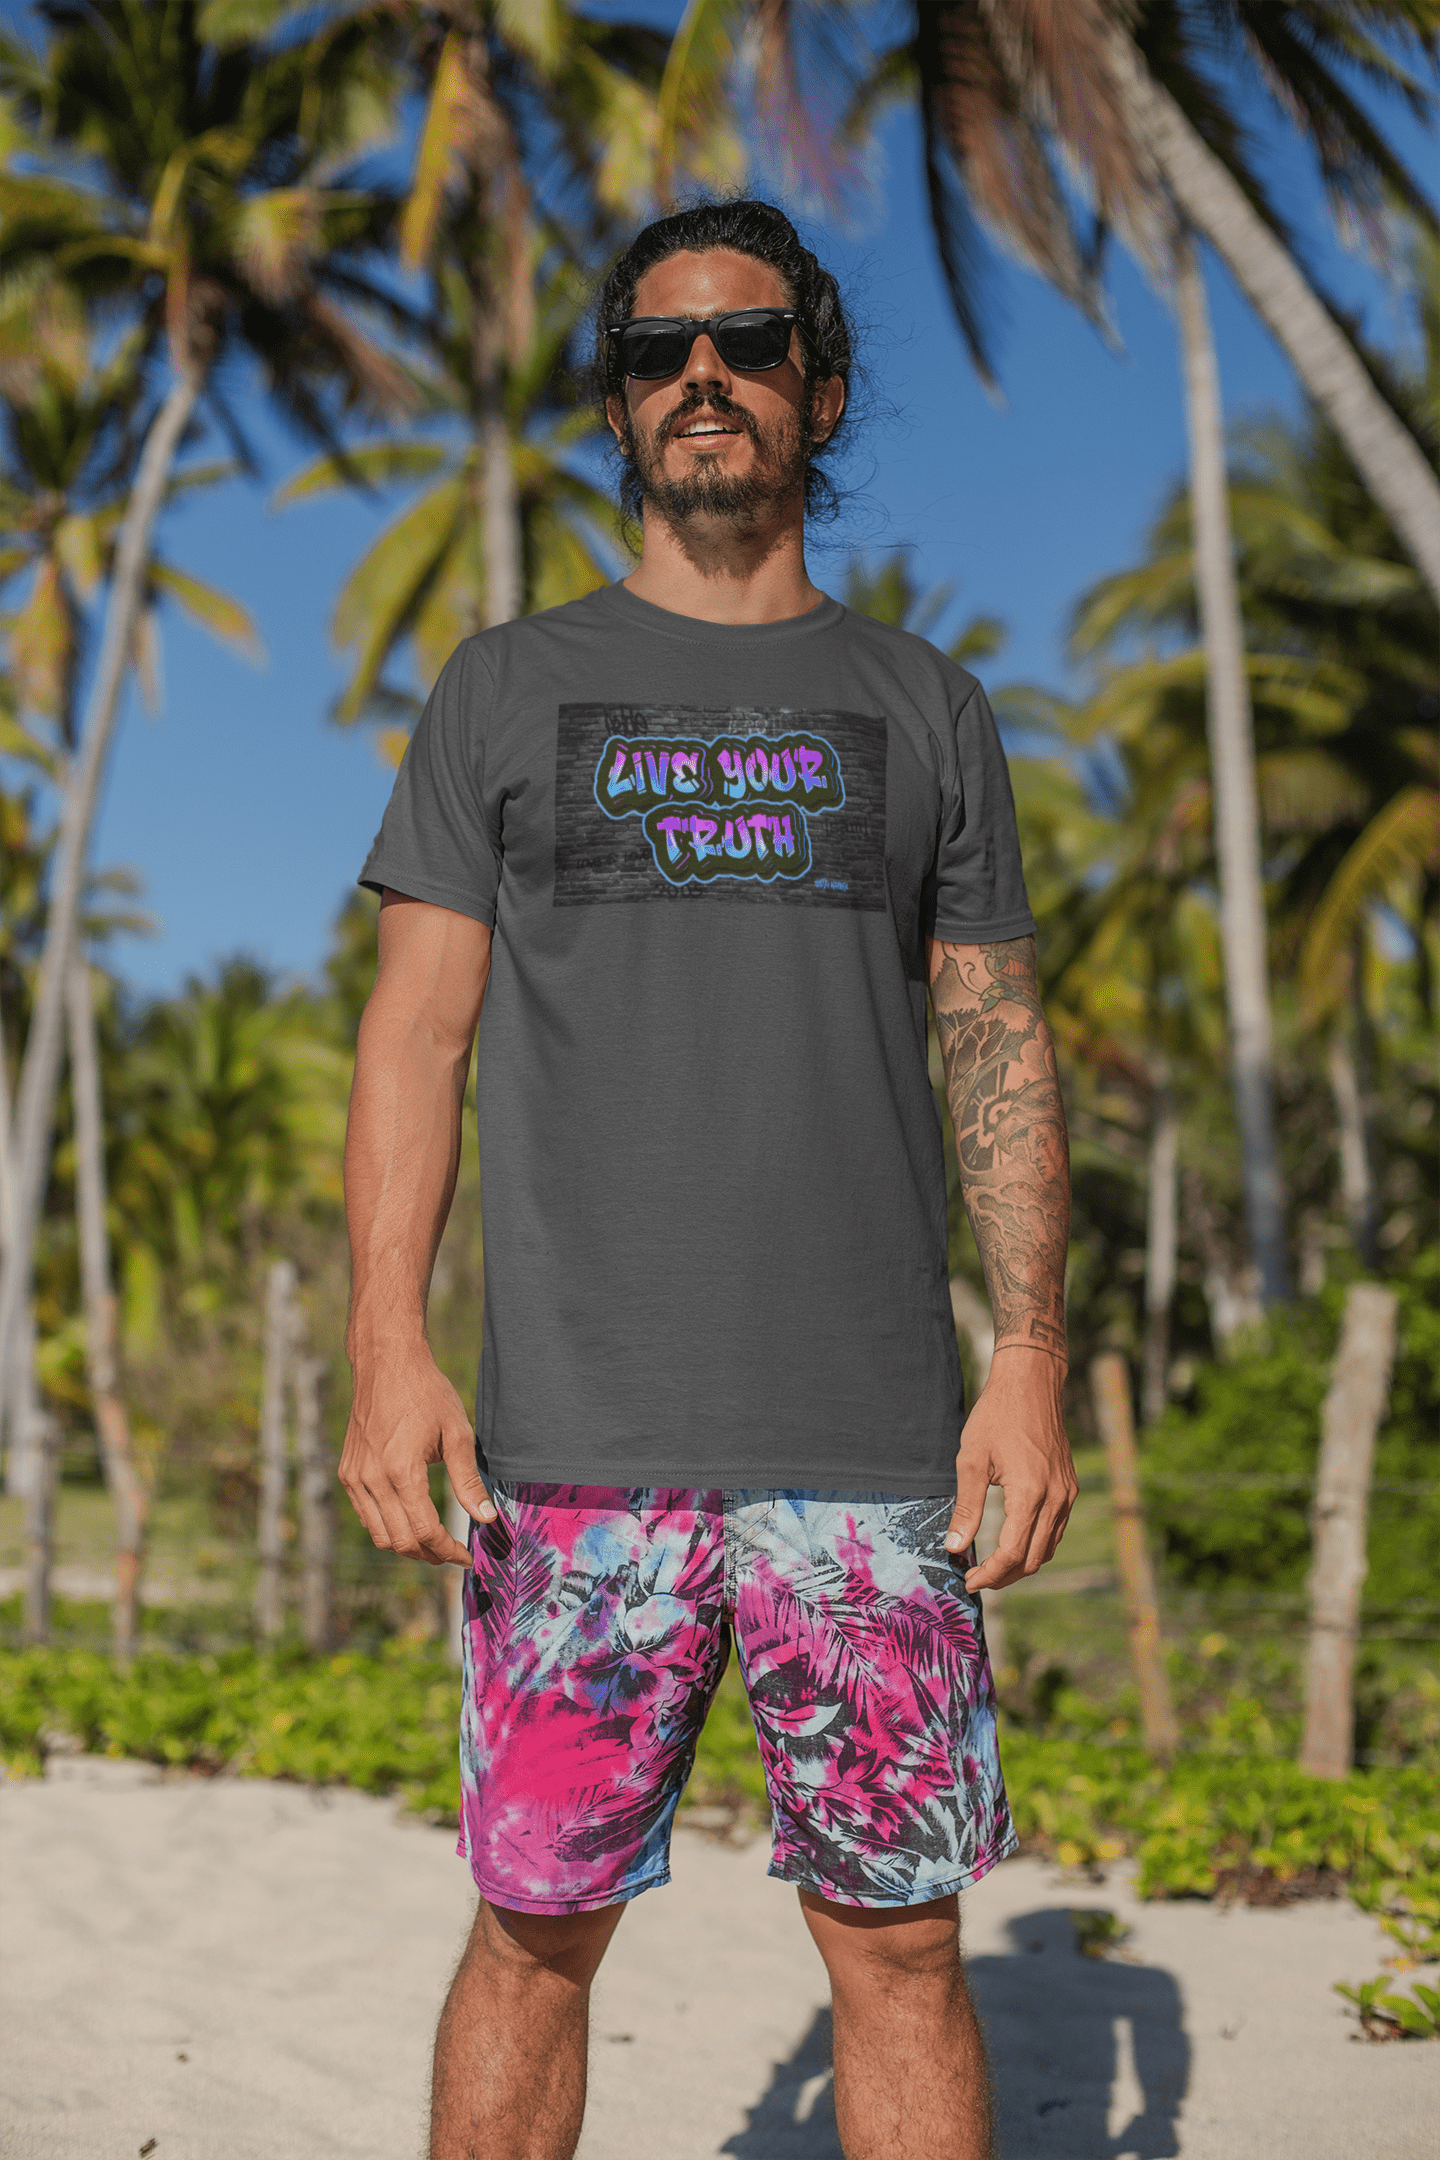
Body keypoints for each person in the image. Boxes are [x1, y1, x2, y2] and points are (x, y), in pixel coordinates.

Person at [342, 197, 1076, 2160]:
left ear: (816, 390)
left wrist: (1027, 1355)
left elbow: (995, 1041)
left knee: (902, 1939)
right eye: (662, 352)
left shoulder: (929, 705)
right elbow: (412, 1035)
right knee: (532, 1929)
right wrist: (387, 1350)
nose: (706, 379)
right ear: (616, 406)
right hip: (575, 1444)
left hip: (867, 1446)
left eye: (749, 343)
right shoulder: (502, 691)